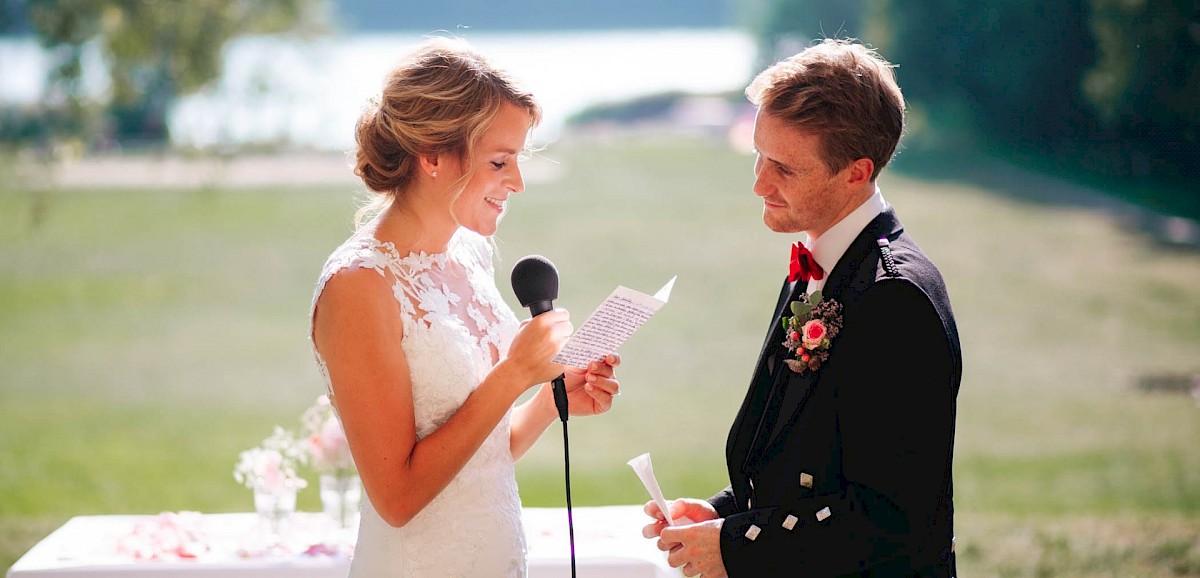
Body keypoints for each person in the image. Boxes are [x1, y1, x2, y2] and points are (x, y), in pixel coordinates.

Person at [641, 39, 961, 577]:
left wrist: (738, 545)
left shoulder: (895, 299)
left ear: (857, 172)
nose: (759, 184)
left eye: (784, 169)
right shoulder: (821, 263)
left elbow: (893, 517)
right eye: (759, 155)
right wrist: (722, 514)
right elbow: (801, 455)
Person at [309, 38, 621, 577]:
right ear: (431, 155)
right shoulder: (358, 286)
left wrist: (549, 403)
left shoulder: (469, 254)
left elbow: (483, 458)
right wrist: (515, 372)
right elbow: (399, 497)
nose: (517, 183)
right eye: (499, 161)